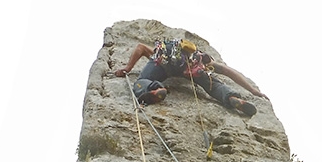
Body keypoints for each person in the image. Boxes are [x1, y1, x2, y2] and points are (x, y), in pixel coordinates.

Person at [114, 38, 267, 117]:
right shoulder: (198, 59)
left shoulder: (164, 51)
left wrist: (127, 68)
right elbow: (227, 71)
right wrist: (253, 90)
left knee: (141, 81)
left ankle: (156, 88)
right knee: (215, 85)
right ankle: (231, 98)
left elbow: (140, 47)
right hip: (191, 70)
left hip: (163, 65)